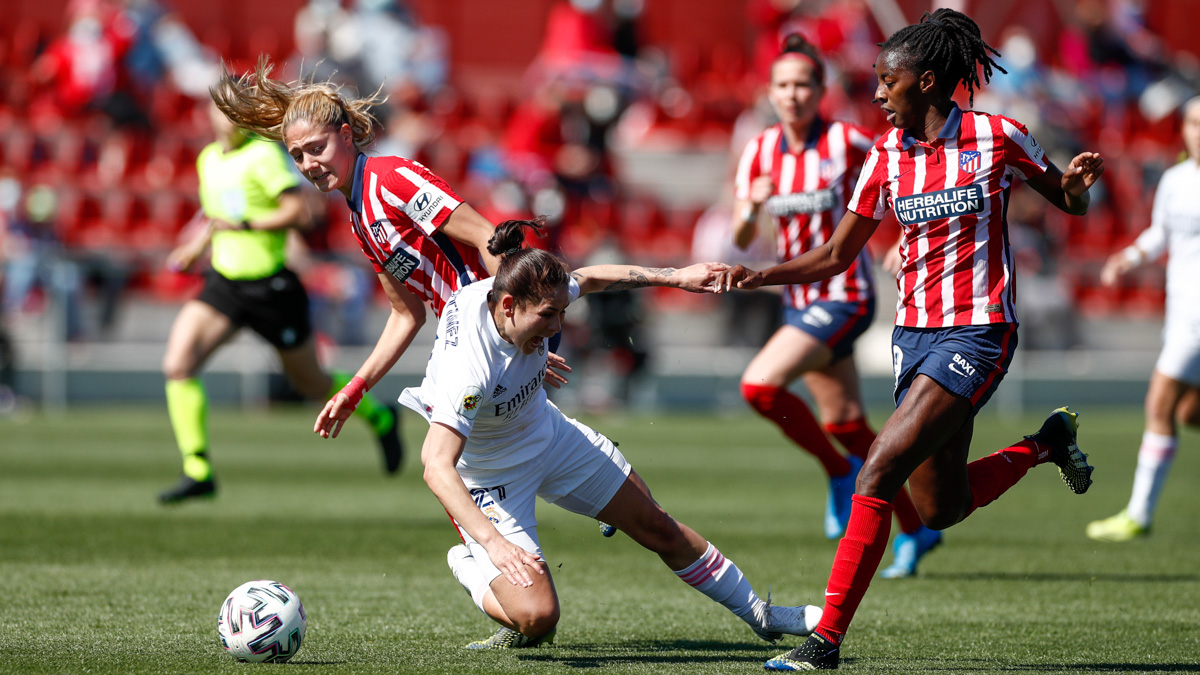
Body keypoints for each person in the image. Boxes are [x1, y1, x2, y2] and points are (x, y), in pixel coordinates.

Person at [718, 9, 1103, 670]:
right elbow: (837, 254)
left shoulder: (997, 136)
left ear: (927, 82)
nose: (876, 94)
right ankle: (1047, 443)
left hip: (979, 332)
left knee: (877, 467)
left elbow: (1068, 200)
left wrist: (1074, 191)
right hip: (913, 336)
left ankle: (824, 642)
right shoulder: (887, 156)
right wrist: (760, 274)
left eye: (885, 81)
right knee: (939, 507)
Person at [383, 219, 821, 650]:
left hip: (549, 437)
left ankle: (760, 615)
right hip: (491, 479)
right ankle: (469, 565)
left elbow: (589, 278)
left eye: (562, 313)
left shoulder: (524, 295)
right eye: (548, 317)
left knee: (655, 524)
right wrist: (494, 546)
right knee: (537, 621)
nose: (557, 329)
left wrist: (675, 277)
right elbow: (436, 466)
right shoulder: (469, 373)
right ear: (509, 305)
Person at [208, 57, 567, 452]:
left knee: (449, 468)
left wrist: (511, 330)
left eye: (317, 148)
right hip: (474, 344)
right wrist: (355, 389)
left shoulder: (391, 179)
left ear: (346, 136)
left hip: (491, 335)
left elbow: (489, 238)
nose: (309, 164)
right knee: (513, 463)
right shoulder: (360, 220)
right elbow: (406, 314)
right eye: (298, 156)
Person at [733, 32, 941, 576]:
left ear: (821, 89)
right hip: (798, 301)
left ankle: (835, 471)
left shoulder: (848, 142)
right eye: (783, 85)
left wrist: (903, 240)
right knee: (849, 425)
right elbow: (738, 234)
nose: (793, 94)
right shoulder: (758, 151)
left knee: (758, 386)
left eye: (804, 83)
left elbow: (910, 175)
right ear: (771, 92)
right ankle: (917, 531)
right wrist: (752, 210)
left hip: (845, 294)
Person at [158, 99, 403, 504]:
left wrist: (243, 225)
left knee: (312, 383)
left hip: (270, 286)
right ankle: (197, 468)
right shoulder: (208, 160)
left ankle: (380, 416)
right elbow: (217, 213)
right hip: (224, 282)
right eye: (223, 111)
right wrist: (198, 244)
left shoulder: (263, 156)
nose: (229, 120)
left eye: (237, 113)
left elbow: (299, 212)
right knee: (178, 364)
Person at [1086, 96, 1200, 542]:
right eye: (1191, 121)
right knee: (1189, 414)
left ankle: (1138, 514)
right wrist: (1128, 256)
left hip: (1197, 319)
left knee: (1159, 404)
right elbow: (1162, 233)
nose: (1196, 130)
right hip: (1181, 312)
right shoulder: (1175, 179)